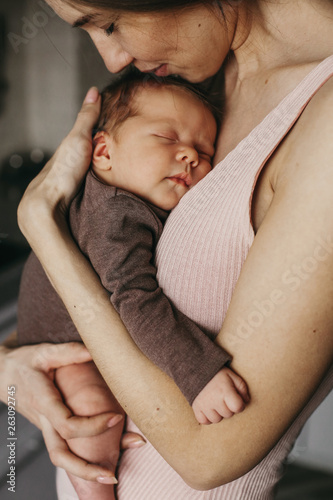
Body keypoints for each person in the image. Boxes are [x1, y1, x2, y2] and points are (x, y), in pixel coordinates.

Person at [1, 0, 333, 498]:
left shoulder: (319, 117)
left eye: (109, 23)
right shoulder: (206, 82)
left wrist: (41, 228)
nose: (112, 60)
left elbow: (208, 457)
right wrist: (9, 368)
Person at [16, 71, 250, 500]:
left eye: (204, 150)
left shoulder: (134, 201)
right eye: (167, 138)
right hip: (61, 344)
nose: (190, 157)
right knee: (94, 413)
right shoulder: (114, 214)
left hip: (69, 333)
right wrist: (198, 373)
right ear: (103, 151)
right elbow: (136, 300)